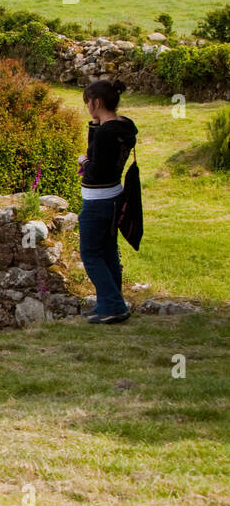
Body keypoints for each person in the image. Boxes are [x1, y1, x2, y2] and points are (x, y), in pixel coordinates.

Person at [77, 79, 139, 325]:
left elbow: (95, 169)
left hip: (97, 201)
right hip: (114, 195)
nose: (87, 108)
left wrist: (83, 162)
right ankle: (109, 303)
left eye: (88, 103)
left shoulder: (105, 134)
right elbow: (101, 149)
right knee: (108, 252)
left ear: (97, 102)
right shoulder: (124, 126)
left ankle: (113, 304)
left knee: (90, 254)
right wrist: (94, 124)